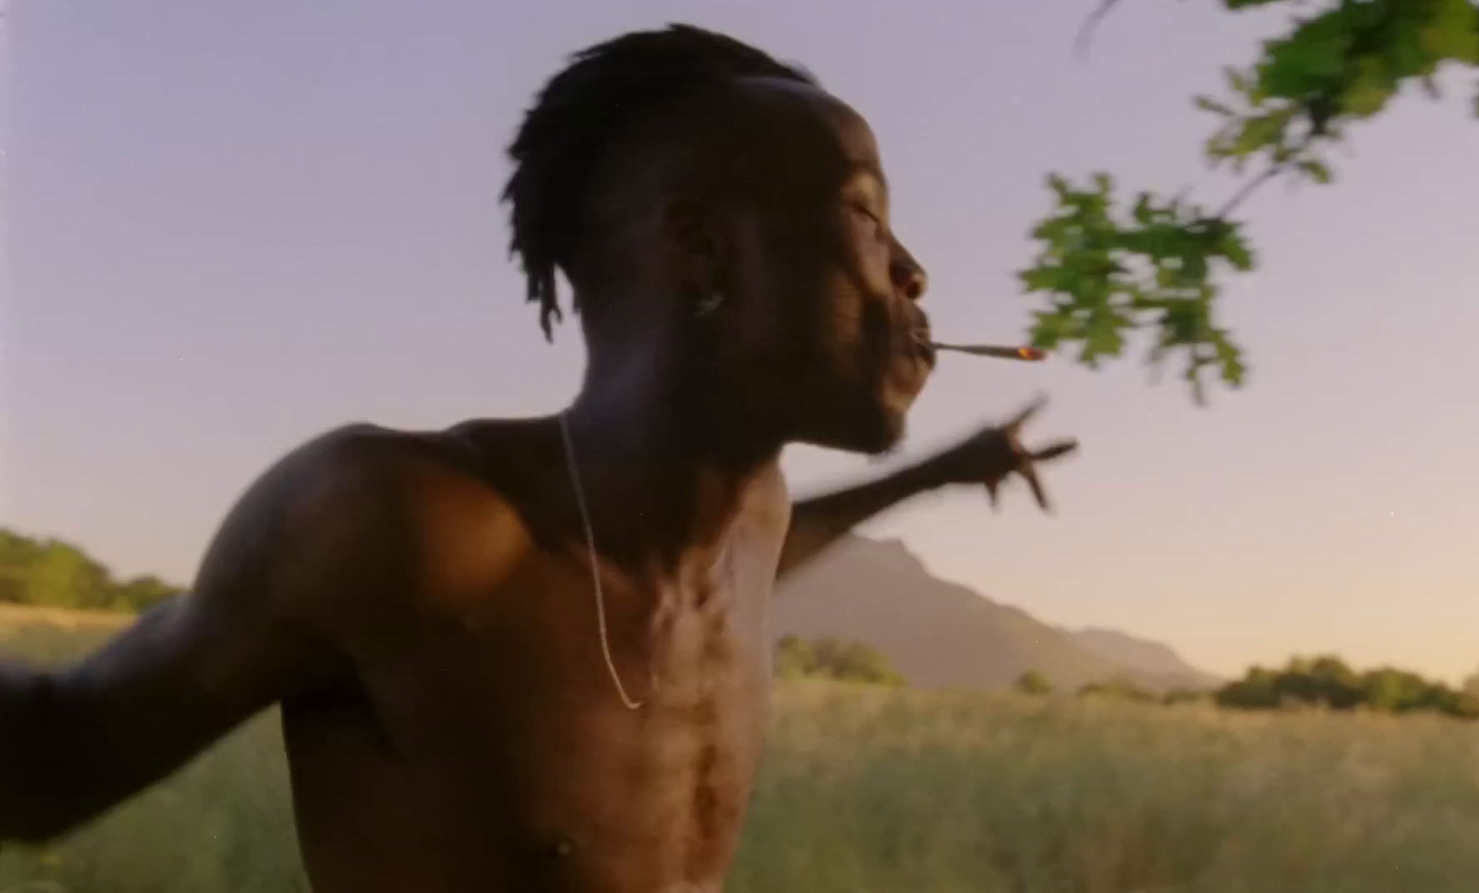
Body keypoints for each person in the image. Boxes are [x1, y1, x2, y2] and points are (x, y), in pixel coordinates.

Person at [0, 24, 1076, 893]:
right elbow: (49, 765)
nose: (915, 272)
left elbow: (755, 558)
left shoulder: (746, 522)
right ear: (702, 249)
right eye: (865, 216)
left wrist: (938, 472)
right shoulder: (409, 523)